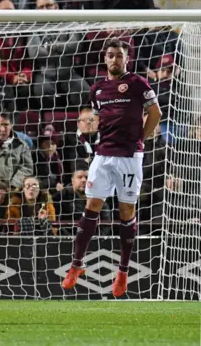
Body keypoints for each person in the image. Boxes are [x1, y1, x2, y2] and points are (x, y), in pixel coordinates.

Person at [61, 38, 162, 297]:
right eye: (110, 55)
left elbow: (156, 113)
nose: (114, 59)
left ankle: (123, 271)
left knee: (126, 210)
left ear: (126, 59)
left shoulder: (138, 83)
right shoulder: (96, 89)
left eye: (119, 55)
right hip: (102, 156)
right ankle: (76, 265)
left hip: (129, 157)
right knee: (91, 206)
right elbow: (97, 119)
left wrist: (143, 137)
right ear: (104, 58)